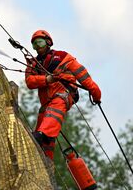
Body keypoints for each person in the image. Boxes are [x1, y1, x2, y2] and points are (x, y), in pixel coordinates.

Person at [9, 30, 101, 160]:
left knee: (55, 109)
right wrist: (47, 79)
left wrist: (96, 95)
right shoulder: (33, 64)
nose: (37, 47)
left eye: (40, 43)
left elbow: (84, 78)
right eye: (34, 45)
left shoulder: (63, 57)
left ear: (48, 42)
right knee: (44, 121)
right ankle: (45, 159)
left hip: (64, 94)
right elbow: (30, 82)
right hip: (46, 103)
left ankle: (42, 135)